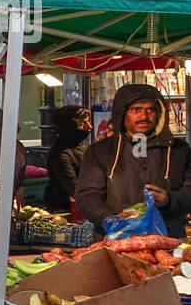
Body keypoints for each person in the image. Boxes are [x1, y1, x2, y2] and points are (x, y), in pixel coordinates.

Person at [74, 84, 191, 239]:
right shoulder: (100, 151)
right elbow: (87, 196)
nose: (144, 116)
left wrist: (169, 200)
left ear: (159, 113)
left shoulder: (179, 150)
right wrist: (112, 219)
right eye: (136, 110)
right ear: (123, 114)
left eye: (151, 110)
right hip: (114, 240)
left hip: (168, 239)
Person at [44, 105, 92, 214]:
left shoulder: (83, 145)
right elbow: (74, 187)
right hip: (66, 210)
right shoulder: (59, 154)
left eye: (88, 122)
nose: (89, 127)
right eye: (82, 124)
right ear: (69, 127)